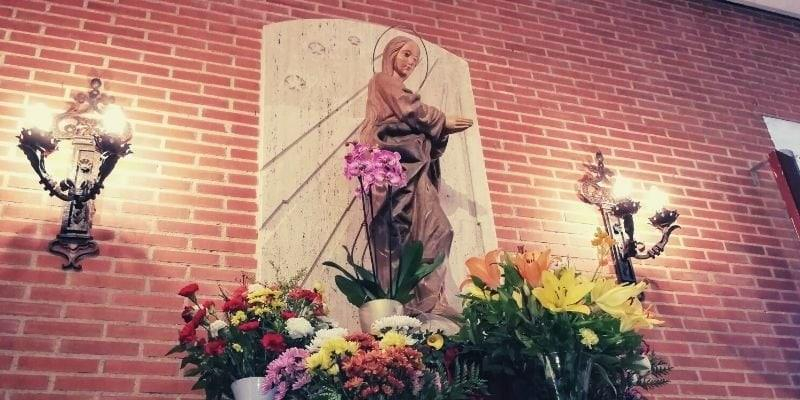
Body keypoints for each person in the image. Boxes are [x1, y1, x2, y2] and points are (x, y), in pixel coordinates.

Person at [358, 35, 473, 316]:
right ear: (391, 53)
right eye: (406, 54)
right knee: (398, 236)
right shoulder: (382, 81)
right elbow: (409, 108)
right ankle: (407, 300)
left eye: (416, 60)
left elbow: (422, 136)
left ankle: (431, 299)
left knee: (438, 229)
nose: (410, 62)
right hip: (394, 168)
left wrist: (439, 132)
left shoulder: (402, 97)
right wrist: (441, 120)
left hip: (415, 168)